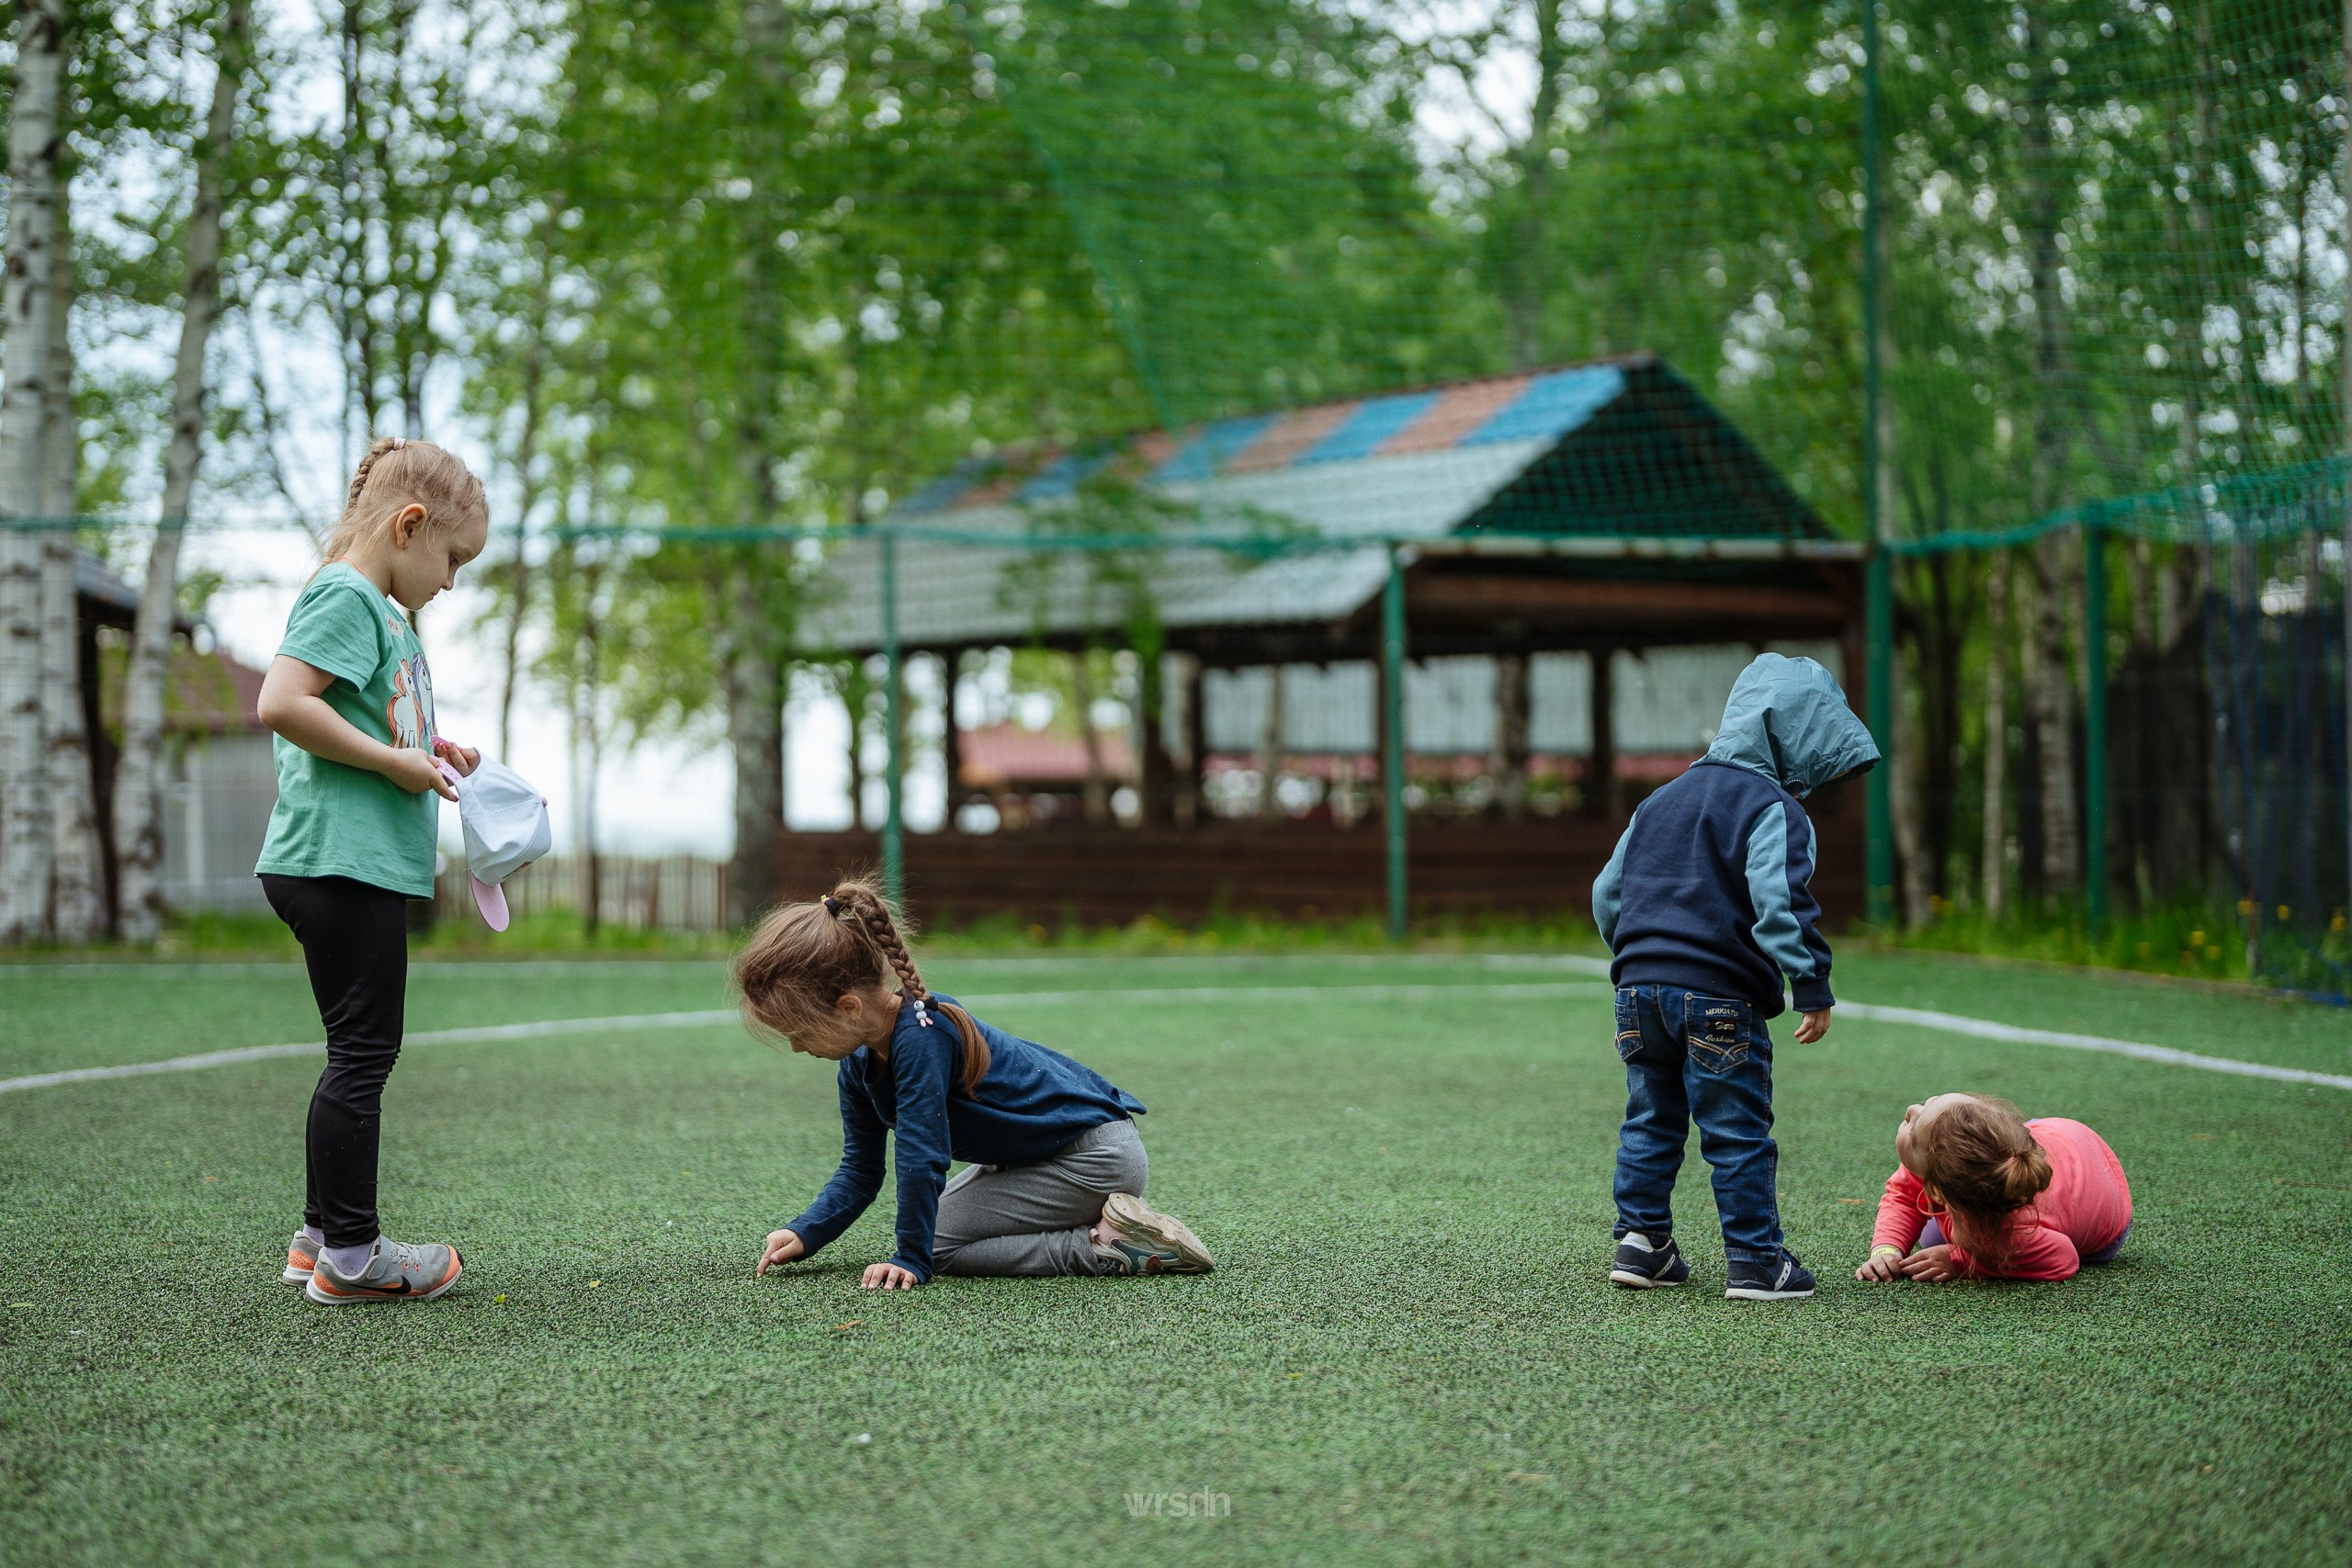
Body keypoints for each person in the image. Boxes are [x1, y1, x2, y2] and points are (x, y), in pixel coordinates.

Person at [255, 436, 489, 1305]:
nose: (452, 581)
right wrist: (394, 767)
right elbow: (282, 702)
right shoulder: (347, 593)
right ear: (410, 525)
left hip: (354, 865)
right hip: (337, 863)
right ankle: (353, 1257)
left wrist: (427, 746)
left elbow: (365, 713)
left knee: (355, 1050)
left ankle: (319, 1235)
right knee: (363, 1054)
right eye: (453, 559)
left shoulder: (384, 611)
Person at [738, 877, 1213, 1288]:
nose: (798, 1048)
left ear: (848, 1007)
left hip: (1096, 1158)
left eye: (799, 1033)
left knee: (937, 1243)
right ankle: (1104, 1222)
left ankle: (1104, 1246)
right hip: (1038, 1157)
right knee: (937, 1224)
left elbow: (922, 1156)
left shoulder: (923, 1036)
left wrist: (911, 1258)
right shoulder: (859, 1062)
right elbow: (862, 1171)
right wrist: (806, 1232)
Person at [1591, 653, 1879, 1301]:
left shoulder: (1658, 800)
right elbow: (1779, 900)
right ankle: (1755, 1260)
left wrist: (1639, 956)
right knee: (1736, 1128)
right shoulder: (1772, 806)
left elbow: (1607, 893)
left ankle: (1642, 1244)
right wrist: (1810, 981)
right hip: (1720, 995)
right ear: (1794, 742)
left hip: (1637, 992)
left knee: (1650, 1118)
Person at [1857, 1094, 2131, 1283]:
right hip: (2061, 1136)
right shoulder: (1959, 1160)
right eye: (1929, 1104)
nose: (1912, 1109)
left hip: (2109, 1218)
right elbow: (1903, 1196)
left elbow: (2063, 1258)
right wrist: (1887, 1249)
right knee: (1937, 1238)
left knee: (1936, 1242)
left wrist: (1962, 1261)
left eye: (1915, 1133)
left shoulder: (2014, 1233)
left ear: (1937, 1190)